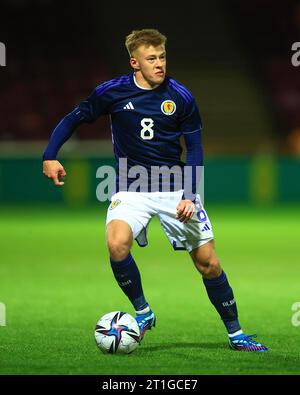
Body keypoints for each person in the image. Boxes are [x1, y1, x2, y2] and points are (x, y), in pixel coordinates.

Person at [43, 29, 268, 352]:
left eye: (162, 57)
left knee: (209, 264)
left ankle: (236, 334)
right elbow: (73, 119)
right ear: (135, 62)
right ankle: (143, 312)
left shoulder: (181, 97)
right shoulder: (112, 93)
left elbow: (194, 148)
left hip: (175, 188)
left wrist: (190, 195)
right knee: (116, 244)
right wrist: (50, 155)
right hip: (131, 187)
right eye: (152, 59)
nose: (159, 64)